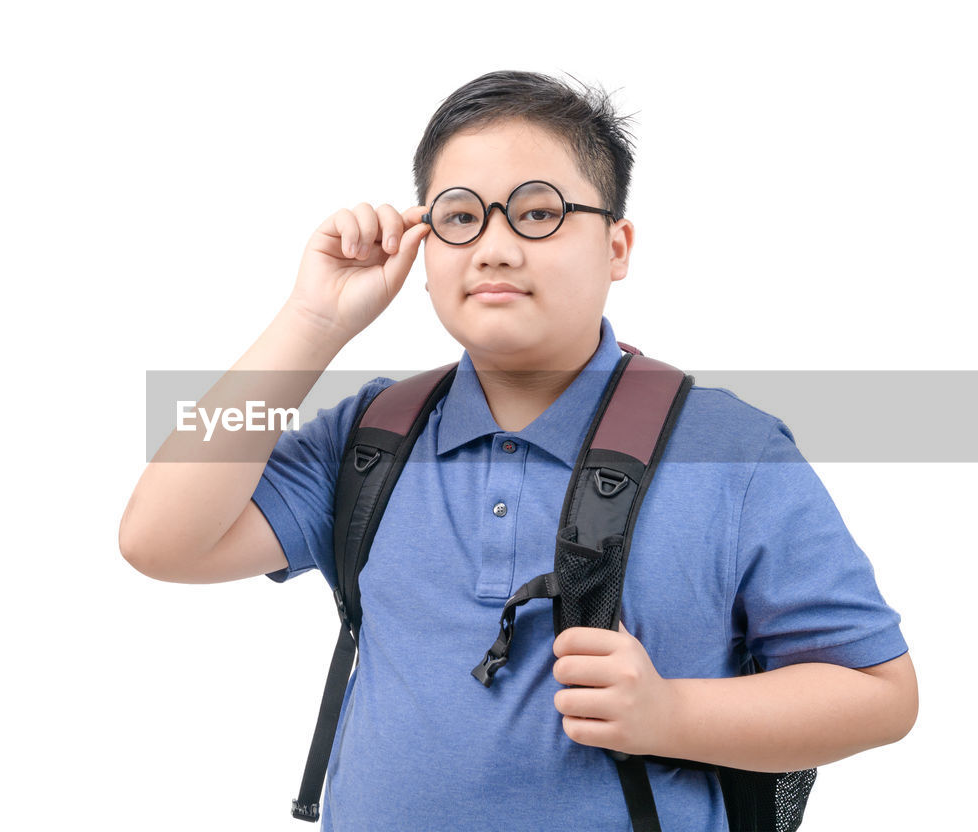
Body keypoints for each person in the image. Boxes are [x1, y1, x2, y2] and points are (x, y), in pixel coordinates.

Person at [118, 70, 918, 831]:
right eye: (461, 216)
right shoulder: (372, 435)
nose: (494, 247)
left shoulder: (730, 451)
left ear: (617, 247)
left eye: (538, 212)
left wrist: (671, 714)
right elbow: (159, 540)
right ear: (424, 243)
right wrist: (311, 322)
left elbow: (880, 693)